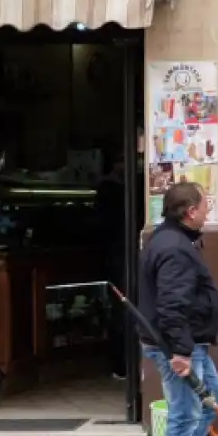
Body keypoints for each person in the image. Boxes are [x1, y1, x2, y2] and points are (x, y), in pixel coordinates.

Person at [138, 182, 218, 436]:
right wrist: (181, 353)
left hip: (190, 342)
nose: (207, 211)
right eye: (205, 206)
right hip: (177, 347)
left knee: (211, 399)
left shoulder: (175, 239)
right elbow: (172, 305)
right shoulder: (174, 248)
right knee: (185, 414)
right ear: (190, 212)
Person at [95, 154, 127, 379]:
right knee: (121, 310)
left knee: (123, 309)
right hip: (117, 254)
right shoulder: (109, 190)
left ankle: (122, 365)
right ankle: (120, 364)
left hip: (117, 254)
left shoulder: (114, 189)